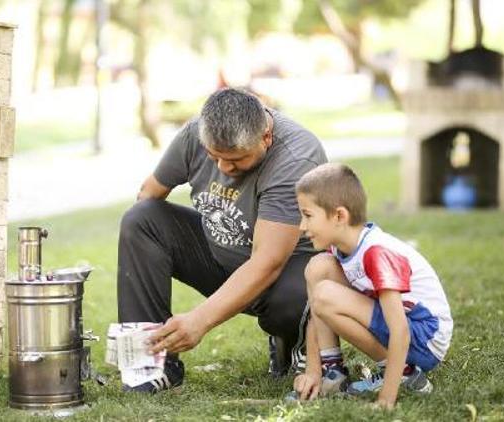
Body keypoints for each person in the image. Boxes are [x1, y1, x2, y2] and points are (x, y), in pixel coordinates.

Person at [117, 88, 327, 392]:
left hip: (281, 273)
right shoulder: (194, 133)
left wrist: (199, 321)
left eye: (237, 160)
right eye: (214, 157)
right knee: (141, 219)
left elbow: (267, 262)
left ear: (266, 138)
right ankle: (149, 363)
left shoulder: (295, 158)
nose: (224, 169)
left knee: (294, 299)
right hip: (220, 255)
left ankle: (292, 340)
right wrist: (144, 252)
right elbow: (148, 194)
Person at [291, 163, 453, 409]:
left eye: (308, 215)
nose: (302, 226)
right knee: (318, 268)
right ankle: (331, 372)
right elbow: (317, 311)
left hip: (424, 337)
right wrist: (312, 372)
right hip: (403, 327)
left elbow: (400, 330)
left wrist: (386, 400)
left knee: (324, 294)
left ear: (339, 216)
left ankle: (404, 375)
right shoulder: (341, 246)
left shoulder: (376, 253)